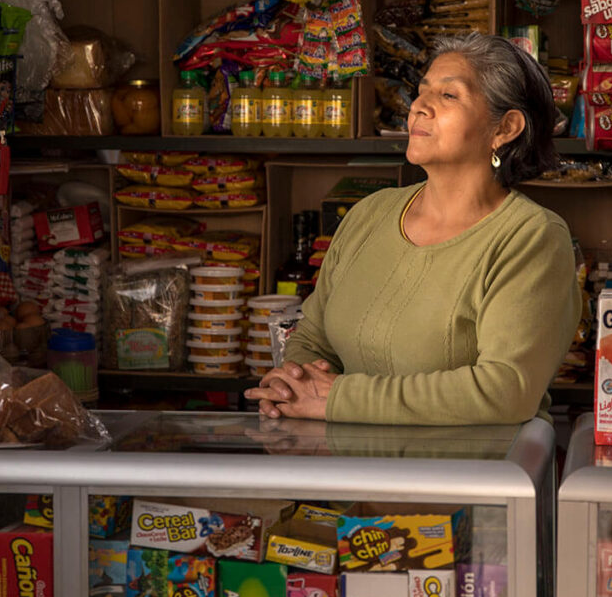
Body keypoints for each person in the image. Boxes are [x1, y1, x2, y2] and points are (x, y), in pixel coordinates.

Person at [244, 32, 582, 425]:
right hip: (352, 474)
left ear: (505, 128)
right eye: (421, 93)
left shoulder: (530, 238)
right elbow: (312, 336)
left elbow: (505, 390)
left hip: (466, 476)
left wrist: (337, 398)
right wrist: (292, 387)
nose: (419, 106)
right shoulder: (369, 215)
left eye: (449, 96)